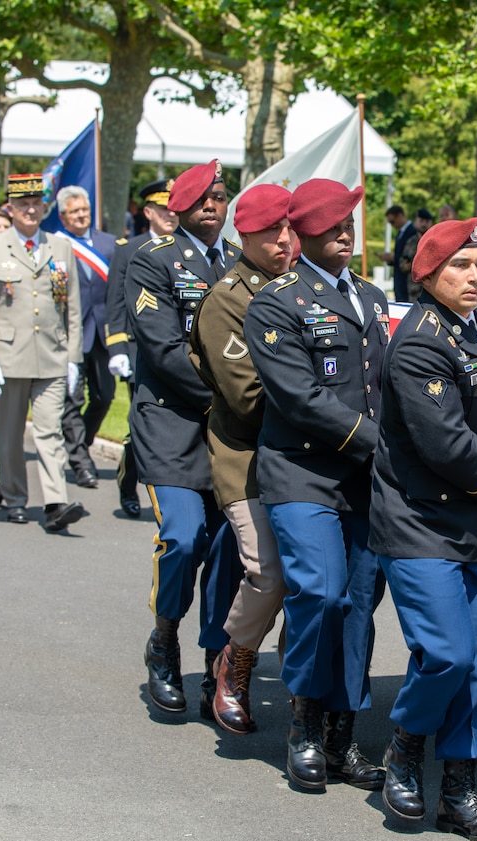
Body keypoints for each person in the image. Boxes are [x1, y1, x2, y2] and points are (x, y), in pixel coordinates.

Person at [374, 217, 477, 841]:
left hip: (472, 522)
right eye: (461, 266)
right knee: (448, 654)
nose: (476, 277)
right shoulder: (419, 341)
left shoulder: (475, 327)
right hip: (420, 516)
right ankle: (405, 746)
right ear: (428, 274)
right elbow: (445, 442)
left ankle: (460, 790)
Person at [244, 178, 387, 794]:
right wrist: (382, 442)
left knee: (359, 606)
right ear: (300, 234)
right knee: (321, 594)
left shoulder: (375, 297)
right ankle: (303, 722)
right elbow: (299, 398)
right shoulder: (275, 303)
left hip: (365, 484)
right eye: (331, 227)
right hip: (303, 472)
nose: (343, 236)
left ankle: (341, 734)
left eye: (349, 225)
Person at [123, 160, 243, 719]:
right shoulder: (152, 261)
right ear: (178, 209)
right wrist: (230, 399)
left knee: (228, 549)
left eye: (220, 198)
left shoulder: (240, 263)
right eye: (202, 201)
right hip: (172, 422)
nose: (212, 208)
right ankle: (164, 638)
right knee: (185, 536)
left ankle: (217, 659)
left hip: (228, 430)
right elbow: (164, 349)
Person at [188, 184, 292, 736]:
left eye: (289, 228)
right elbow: (248, 399)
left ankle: (305, 689)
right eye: (270, 231)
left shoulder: (305, 286)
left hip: (310, 458)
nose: (284, 240)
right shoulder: (227, 299)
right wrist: (320, 407)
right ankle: (237, 660)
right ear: (242, 236)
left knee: (324, 582)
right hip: (247, 457)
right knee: (268, 573)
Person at [0, 173, 85, 531]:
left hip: (51, 354)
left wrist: (73, 358)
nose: (31, 210)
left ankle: (55, 502)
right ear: (11, 208)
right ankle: (16, 497)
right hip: (8, 358)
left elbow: (73, 308)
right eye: (23, 205)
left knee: (49, 431)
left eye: (36, 204)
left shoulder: (60, 246)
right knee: (10, 433)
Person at [104, 179, 175, 519]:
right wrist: (117, 346)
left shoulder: (183, 248)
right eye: (163, 209)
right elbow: (115, 302)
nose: (170, 215)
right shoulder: (128, 249)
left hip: (176, 351)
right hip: (137, 349)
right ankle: (128, 481)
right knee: (142, 425)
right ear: (148, 212)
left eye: (174, 208)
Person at [54, 185, 117, 488]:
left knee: (105, 396)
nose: (81, 216)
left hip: (104, 332)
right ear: (63, 217)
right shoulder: (56, 244)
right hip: (71, 333)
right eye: (74, 212)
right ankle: (80, 461)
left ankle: (84, 441)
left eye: (84, 210)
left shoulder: (109, 244)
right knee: (72, 398)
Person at [379, 205, 415, 303]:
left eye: (392, 221)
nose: (391, 225)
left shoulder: (412, 232)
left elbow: (410, 257)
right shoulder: (401, 233)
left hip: (408, 283)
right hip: (400, 281)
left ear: (399, 216)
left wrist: (393, 258)